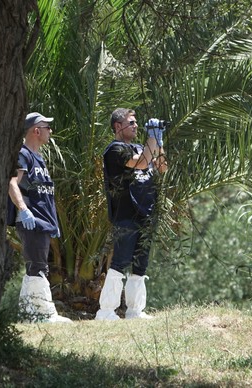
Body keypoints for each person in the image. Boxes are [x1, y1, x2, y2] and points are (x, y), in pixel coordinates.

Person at [95, 108, 168, 320]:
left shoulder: (139, 147)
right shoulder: (114, 150)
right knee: (121, 261)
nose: (136, 126)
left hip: (145, 212)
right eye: (131, 123)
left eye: (137, 123)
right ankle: (106, 310)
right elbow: (141, 163)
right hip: (126, 213)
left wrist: (159, 141)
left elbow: (161, 168)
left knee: (140, 264)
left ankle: (135, 311)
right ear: (118, 127)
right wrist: (151, 140)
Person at [8, 112, 72, 324]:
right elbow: (12, 183)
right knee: (37, 267)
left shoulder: (39, 159)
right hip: (31, 220)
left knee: (36, 266)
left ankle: (30, 313)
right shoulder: (23, 154)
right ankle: (42, 315)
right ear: (36, 130)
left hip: (42, 221)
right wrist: (23, 209)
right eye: (47, 127)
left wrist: (52, 221)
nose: (50, 131)